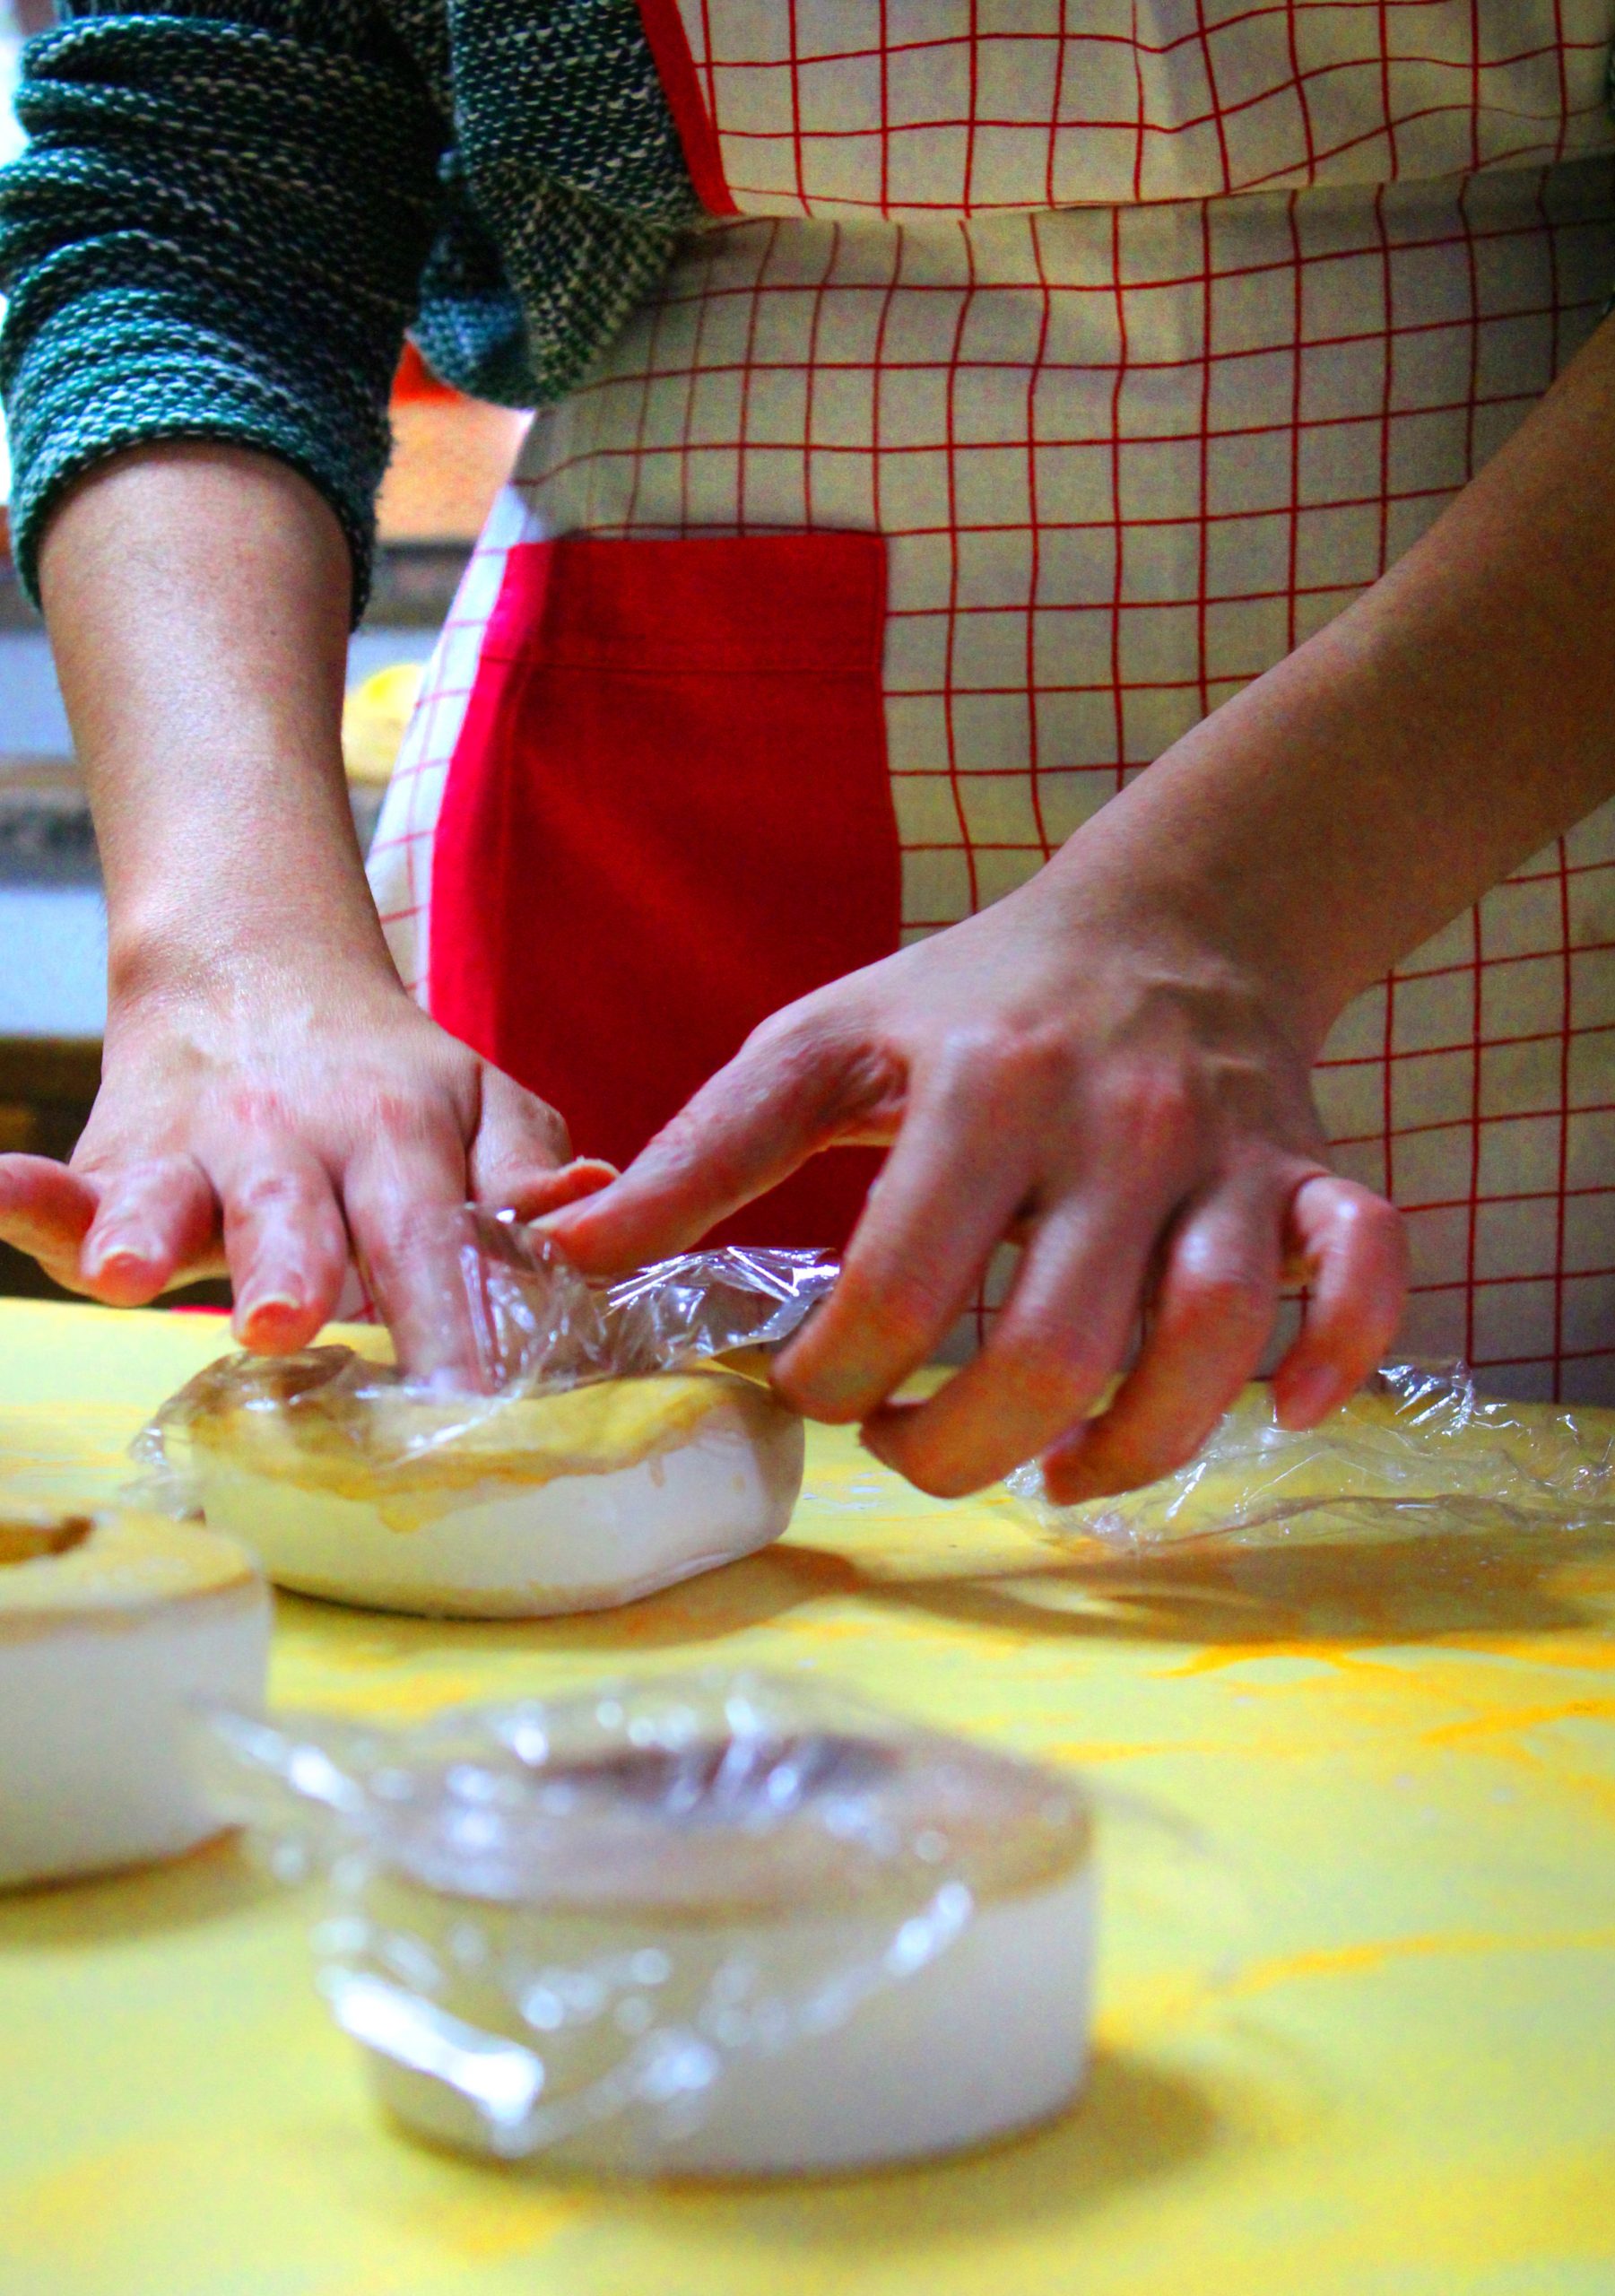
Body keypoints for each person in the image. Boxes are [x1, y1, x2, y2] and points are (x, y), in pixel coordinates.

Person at [2, 3, 1613, 1507]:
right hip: (663, 773)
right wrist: (229, 943)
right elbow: (191, 188)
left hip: (1517, 736)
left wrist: (1231, 906)